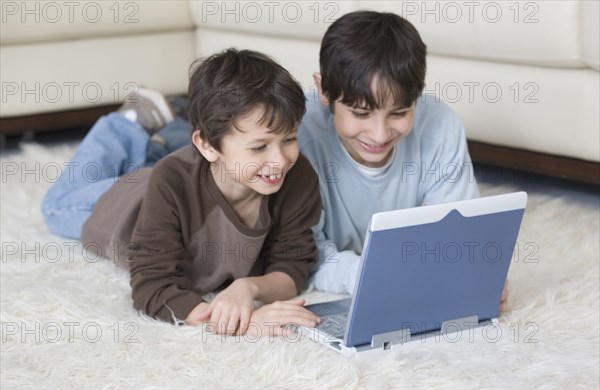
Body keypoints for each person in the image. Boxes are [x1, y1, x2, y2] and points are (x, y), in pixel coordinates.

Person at [41, 49, 322, 336]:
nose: (280, 160)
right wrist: (239, 324)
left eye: (289, 138)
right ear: (207, 145)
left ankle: (163, 137)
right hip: (126, 203)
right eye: (259, 147)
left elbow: (293, 266)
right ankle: (126, 124)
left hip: (184, 169)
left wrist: (248, 287)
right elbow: (152, 287)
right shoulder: (171, 182)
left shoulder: (297, 174)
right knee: (54, 206)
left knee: (169, 163)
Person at [297, 11, 509, 311]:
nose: (379, 134)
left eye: (399, 113)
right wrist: (375, 277)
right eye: (360, 113)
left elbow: (458, 231)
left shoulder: (440, 125)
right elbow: (305, 257)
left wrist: (472, 269)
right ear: (324, 92)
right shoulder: (297, 137)